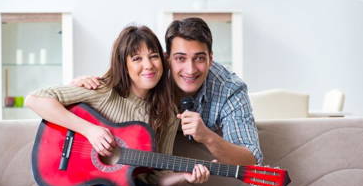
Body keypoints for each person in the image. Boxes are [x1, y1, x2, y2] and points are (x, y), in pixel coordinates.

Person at [25, 25, 211, 186]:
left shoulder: (168, 113)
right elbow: (35, 99)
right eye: (137, 58)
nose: (148, 65)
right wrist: (90, 130)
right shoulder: (102, 90)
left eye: (153, 56)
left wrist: (184, 176)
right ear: (124, 65)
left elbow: (156, 178)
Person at [74, 18, 263, 166]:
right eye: (180, 58)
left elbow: (252, 160)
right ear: (167, 59)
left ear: (211, 59)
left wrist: (207, 137)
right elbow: (115, 90)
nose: (190, 69)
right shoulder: (150, 74)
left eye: (199, 58)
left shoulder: (230, 88)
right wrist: (78, 87)